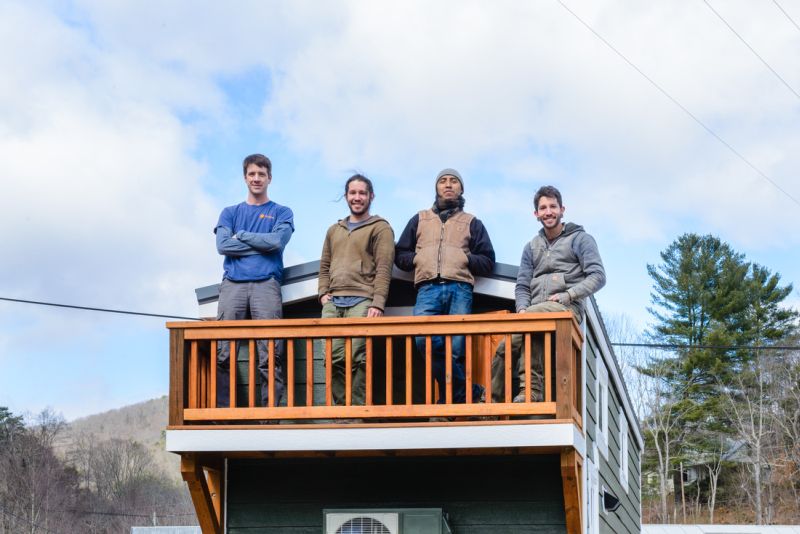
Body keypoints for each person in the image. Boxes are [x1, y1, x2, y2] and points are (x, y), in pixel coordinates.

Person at [491, 185, 605, 403]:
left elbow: (598, 276)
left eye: (553, 206)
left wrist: (569, 295)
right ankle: (492, 401)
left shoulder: (580, 239)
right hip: (535, 309)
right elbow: (522, 286)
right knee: (506, 345)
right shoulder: (531, 247)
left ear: (562, 209)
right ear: (536, 214)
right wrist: (522, 309)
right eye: (543, 208)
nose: (548, 211)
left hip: (567, 307)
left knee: (534, 320)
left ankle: (532, 391)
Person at [395, 168, 495, 405]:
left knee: (456, 349)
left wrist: (465, 258)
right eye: (443, 181)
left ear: (461, 189)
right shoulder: (419, 219)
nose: (448, 185)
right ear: (437, 188)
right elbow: (400, 254)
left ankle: (448, 403)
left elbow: (488, 260)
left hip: (460, 288)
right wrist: (417, 259)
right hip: (427, 289)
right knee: (424, 341)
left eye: (453, 181)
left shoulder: (472, 222)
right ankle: (469, 391)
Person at [214, 154, 294, 408]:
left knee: (270, 351)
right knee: (224, 350)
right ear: (245, 177)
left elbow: (276, 242)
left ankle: (269, 412)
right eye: (252, 174)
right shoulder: (229, 212)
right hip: (232, 285)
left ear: (269, 177)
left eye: (261, 174)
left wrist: (244, 236)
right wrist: (261, 244)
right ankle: (224, 412)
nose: (256, 178)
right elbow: (223, 245)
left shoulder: (281, 212)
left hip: (266, 285)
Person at [318, 174, 395, 407]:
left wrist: (377, 303)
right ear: (346, 196)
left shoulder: (381, 228)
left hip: (363, 300)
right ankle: (341, 412)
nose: (357, 197)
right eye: (353, 193)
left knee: (357, 357)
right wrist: (323, 293)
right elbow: (324, 265)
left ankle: (358, 410)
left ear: (371, 196)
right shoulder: (334, 230)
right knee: (332, 357)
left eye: (362, 193)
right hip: (333, 301)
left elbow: (384, 268)